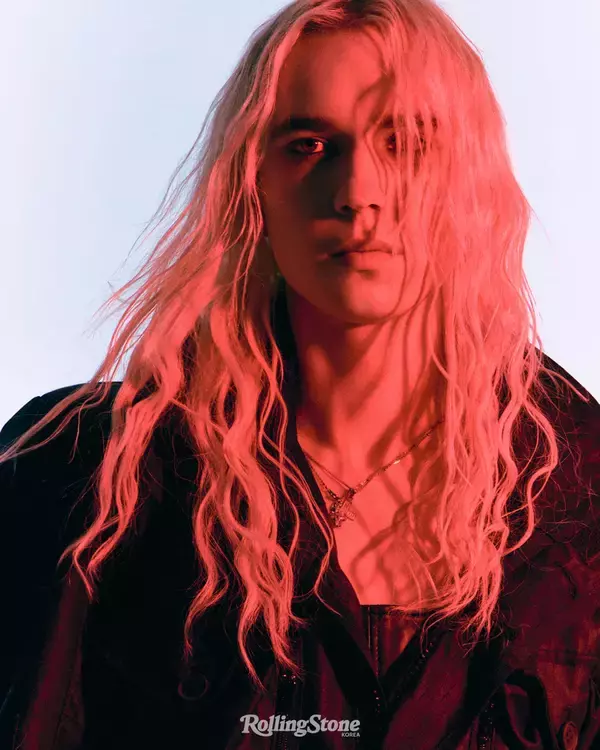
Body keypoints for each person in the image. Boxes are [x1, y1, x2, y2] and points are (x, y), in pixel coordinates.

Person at [1, 0, 599, 748]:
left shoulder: (578, 497)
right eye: (309, 145)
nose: (357, 192)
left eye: (407, 142)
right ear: (252, 182)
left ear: (467, 176)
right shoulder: (89, 477)